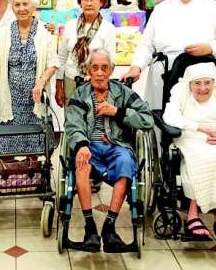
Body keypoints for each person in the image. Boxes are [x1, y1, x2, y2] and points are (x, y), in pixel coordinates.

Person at [65, 49, 153, 252]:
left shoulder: (123, 93)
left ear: (111, 70)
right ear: (88, 70)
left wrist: (118, 112)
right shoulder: (81, 94)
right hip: (89, 147)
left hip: (117, 146)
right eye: (94, 68)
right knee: (81, 162)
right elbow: (73, 124)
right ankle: (90, 229)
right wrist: (82, 145)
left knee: (125, 162)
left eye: (104, 68)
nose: (99, 73)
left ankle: (109, 227)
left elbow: (147, 119)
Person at [124, 0, 216, 109]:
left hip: (200, 77)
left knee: (197, 124)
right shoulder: (161, 9)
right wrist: (136, 67)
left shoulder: (214, 9)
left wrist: (209, 48)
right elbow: (146, 44)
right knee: (162, 121)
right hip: (163, 75)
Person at [162, 62, 216, 240]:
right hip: (190, 135)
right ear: (190, 84)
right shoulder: (180, 91)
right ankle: (193, 214)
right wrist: (200, 128)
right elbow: (169, 116)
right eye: (197, 84)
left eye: (207, 83)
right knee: (201, 157)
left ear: (213, 82)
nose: (203, 88)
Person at [0, 0, 59, 154]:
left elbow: (53, 64)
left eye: (25, 4)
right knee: (7, 149)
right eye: (17, 4)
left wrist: (41, 82)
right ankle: (11, 179)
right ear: (12, 8)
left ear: (33, 6)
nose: (21, 8)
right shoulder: (5, 32)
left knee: (35, 148)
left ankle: (34, 178)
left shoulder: (43, 32)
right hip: (9, 101)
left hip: (35, 100)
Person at [56, 0, 117, 108]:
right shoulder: (70, 26)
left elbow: (111, 62)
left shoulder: (108, 29)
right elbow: (61, 58)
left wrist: (101, 83)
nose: (89, 3)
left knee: (93, 123)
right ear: (80, 2)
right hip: (70, 80)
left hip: (96, 83)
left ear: (101, 1)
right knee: (72, 122)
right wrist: (59, 85)